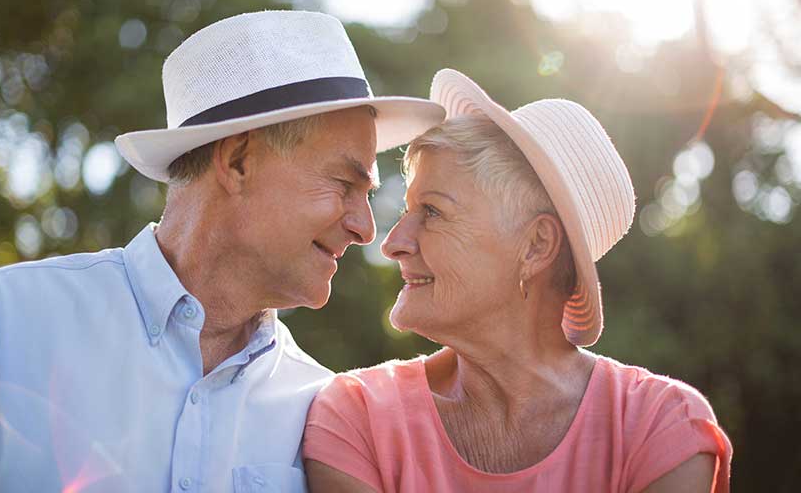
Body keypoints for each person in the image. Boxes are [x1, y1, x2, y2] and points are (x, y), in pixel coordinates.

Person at [0, 11, 444, 492]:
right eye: (343, 184)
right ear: (237, 161)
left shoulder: (322, 410)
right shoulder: (5, 322)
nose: (366, 229)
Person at [302, 69, 732, 492]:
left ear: (535, 246)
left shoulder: (661, 426)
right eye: (406, 211)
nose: (393, 242)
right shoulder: (356, 415)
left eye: (432, 212)